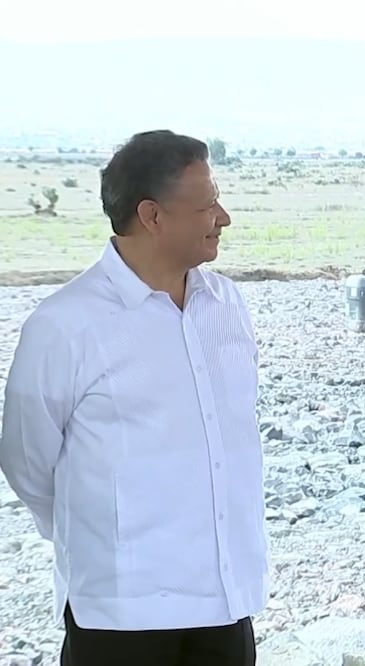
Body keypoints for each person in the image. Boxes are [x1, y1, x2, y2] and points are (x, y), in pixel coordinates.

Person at [0, 130, 268, 666]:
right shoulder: (65, 326)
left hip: (226, 603)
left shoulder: (227, 304)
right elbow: (27, 464)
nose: (224, 217)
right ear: (152, 216)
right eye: (207, 203)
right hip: (121, 616)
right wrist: (103, 534)